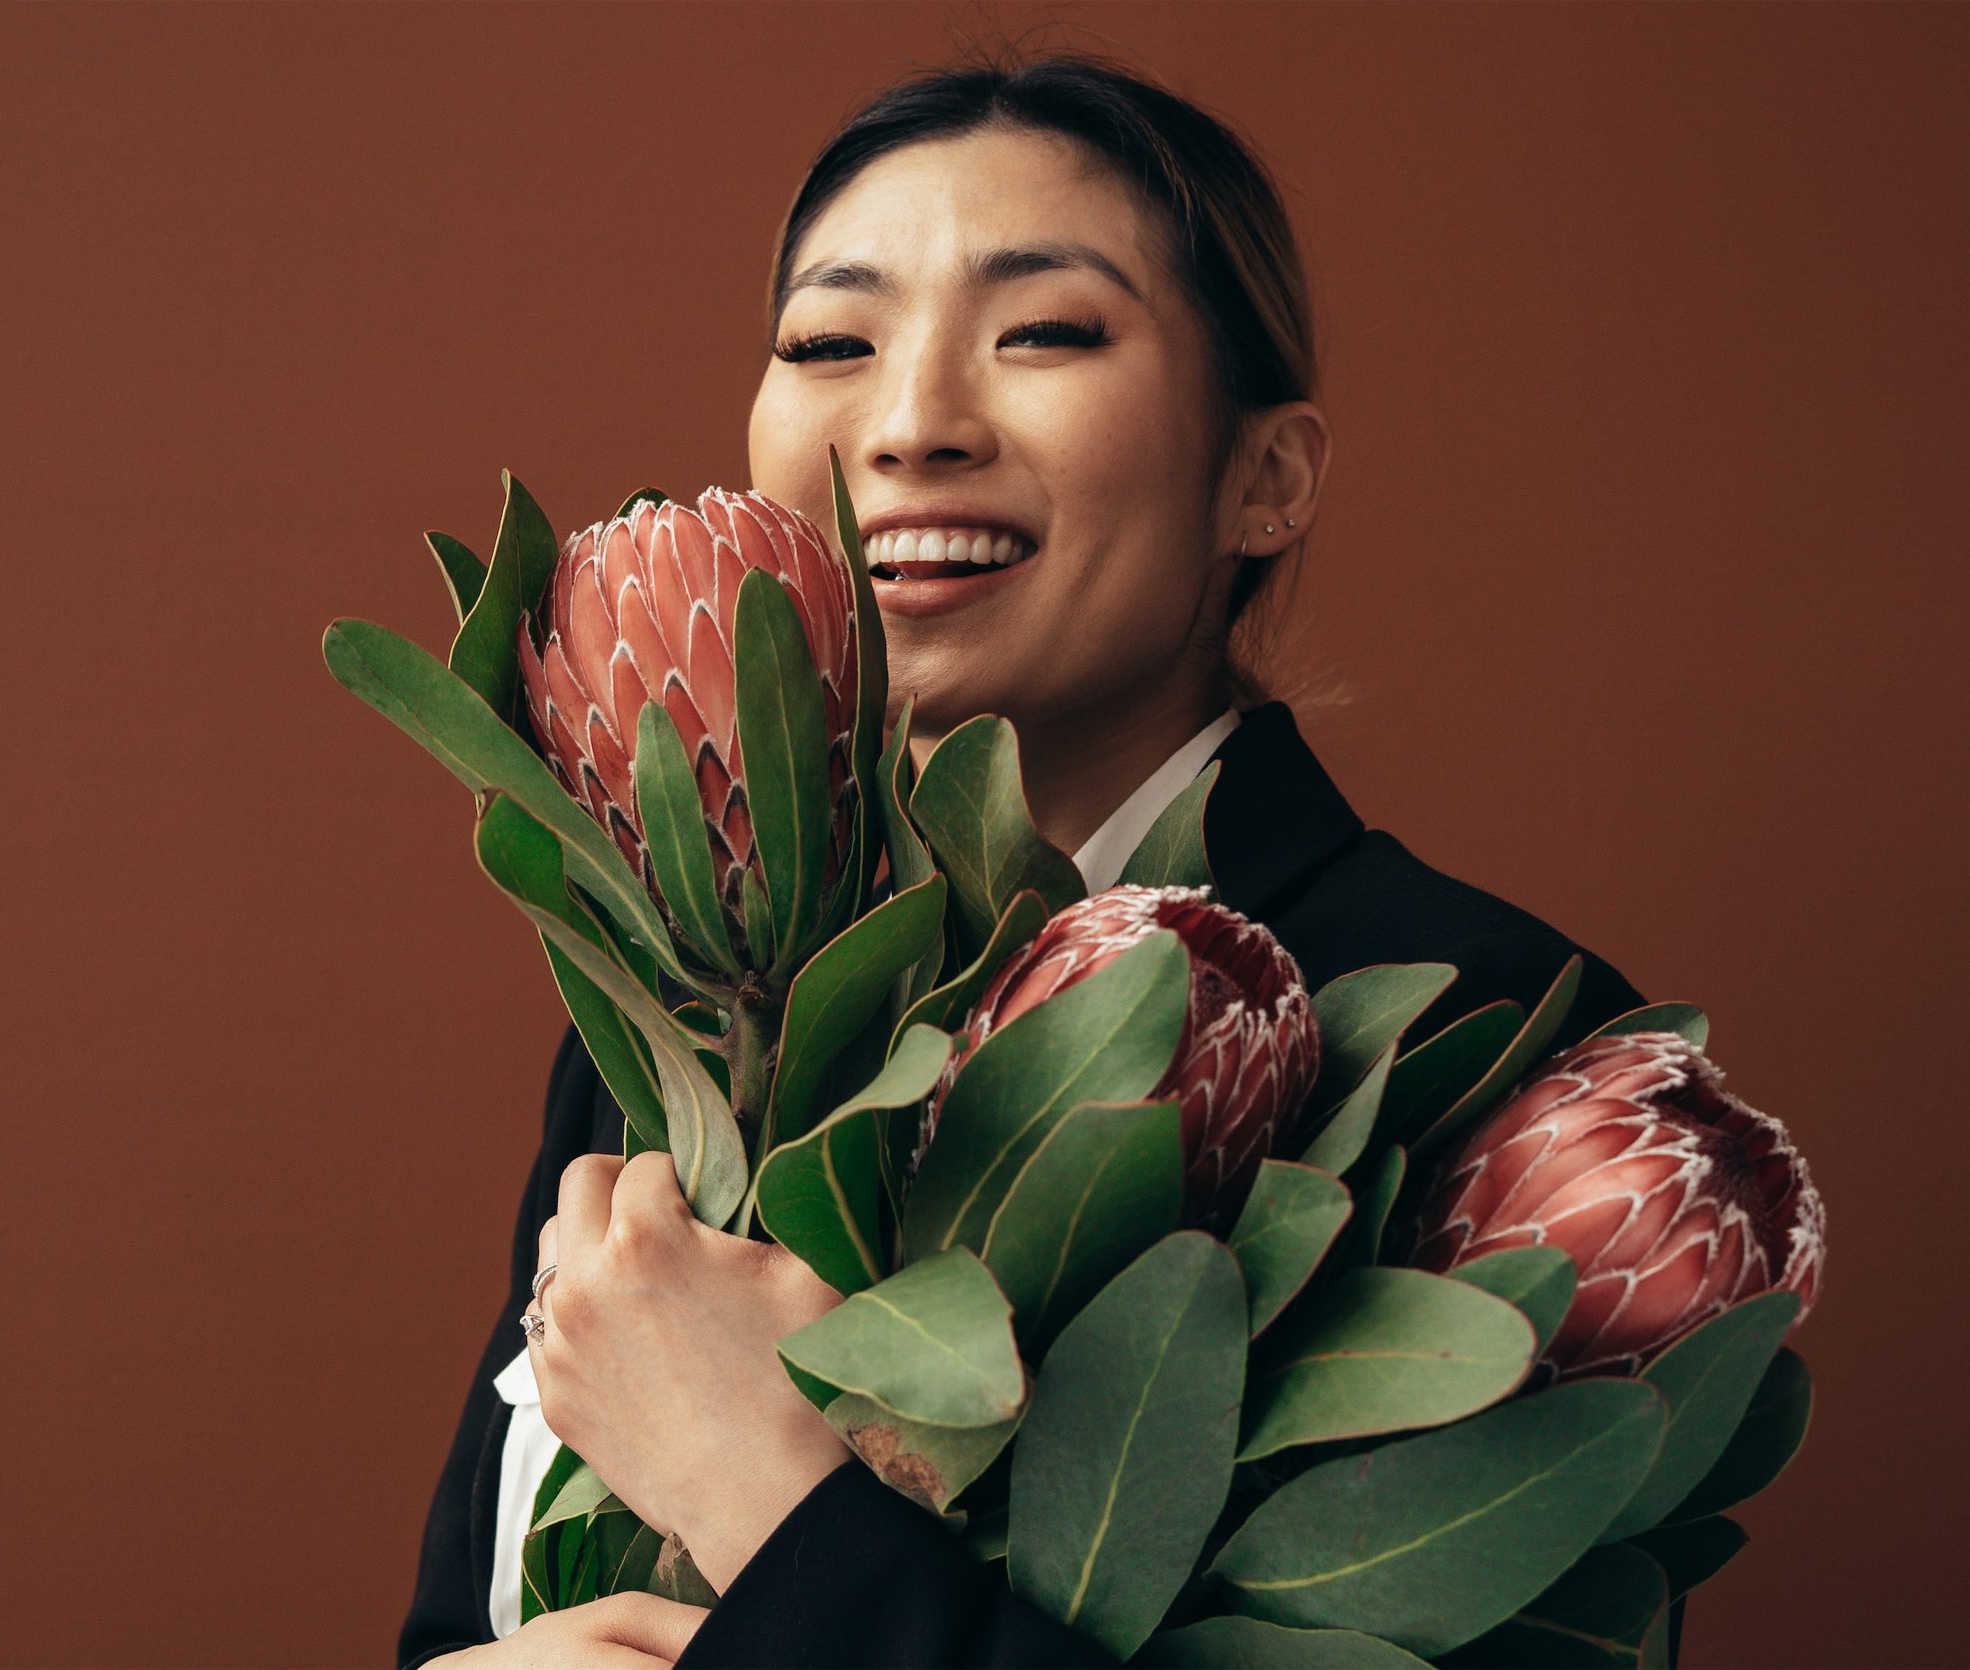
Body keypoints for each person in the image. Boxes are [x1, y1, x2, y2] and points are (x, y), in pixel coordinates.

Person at [400, 52, 1651, 1670]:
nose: (911, 425)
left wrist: (774, 1504)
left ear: (1266, 478)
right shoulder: (662, 1024)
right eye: (830, 341)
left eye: (1046, 331)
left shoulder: (1495, 1050)